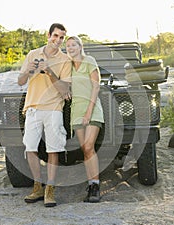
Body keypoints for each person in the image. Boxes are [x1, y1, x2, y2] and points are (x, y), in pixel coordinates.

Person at [18, 23, 71, 207]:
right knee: (30, 148)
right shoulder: (33, 54)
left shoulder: (65, 60)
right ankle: (37, 186)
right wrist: (29, 70)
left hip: (54, 107)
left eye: (62, 37)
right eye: (55, 36)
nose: (58, 40)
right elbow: (20, 81)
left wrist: (49, 71)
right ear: (48, 35)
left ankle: (50, 189)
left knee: (53, 150)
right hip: (32, 106)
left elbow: (64, 88)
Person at [65, 36, 104, 203]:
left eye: (74, 44)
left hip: (92, 109)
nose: (71, 47)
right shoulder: (68, 67)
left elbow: (96, 86)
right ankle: (90, 184)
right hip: (76, 111)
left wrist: (89, 112)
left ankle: (95, 186)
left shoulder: (89, 61)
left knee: (89, 146)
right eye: (68, 46)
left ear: (80, 47)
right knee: (85, 149)